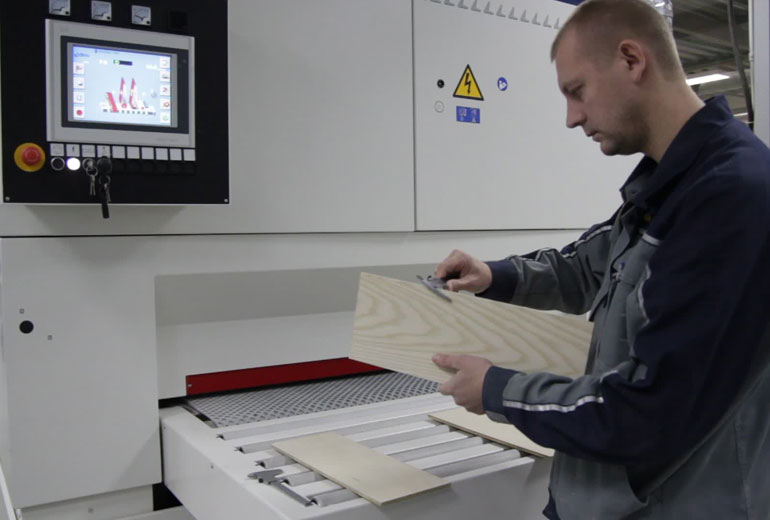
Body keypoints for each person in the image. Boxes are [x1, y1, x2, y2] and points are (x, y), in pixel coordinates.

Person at [431, 0, 770, 518]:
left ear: (631, 60)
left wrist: (497, 388)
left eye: (577, 91)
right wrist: (493, 275)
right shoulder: (670, 186)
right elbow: (588, 264)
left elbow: (647, 412)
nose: (572, 118)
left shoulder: (727, 195)